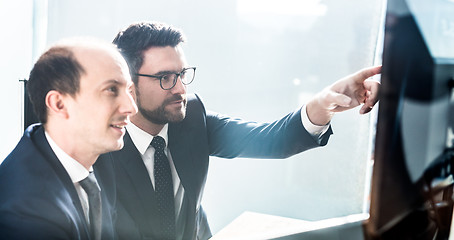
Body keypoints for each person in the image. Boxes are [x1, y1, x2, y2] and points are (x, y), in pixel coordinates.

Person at [106, 21, 381, 240]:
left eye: (182, 74)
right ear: (128, 85)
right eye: (165, 78)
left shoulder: (191, 118)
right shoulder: (97, 145)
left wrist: (324, 104)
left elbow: (271, 139)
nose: (180, 89)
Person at [0, 38, 138, 239]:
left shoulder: (99, 157)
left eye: (129, 91)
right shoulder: (27, 214)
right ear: (59, 104)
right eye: (111, 90)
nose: (131, 108)